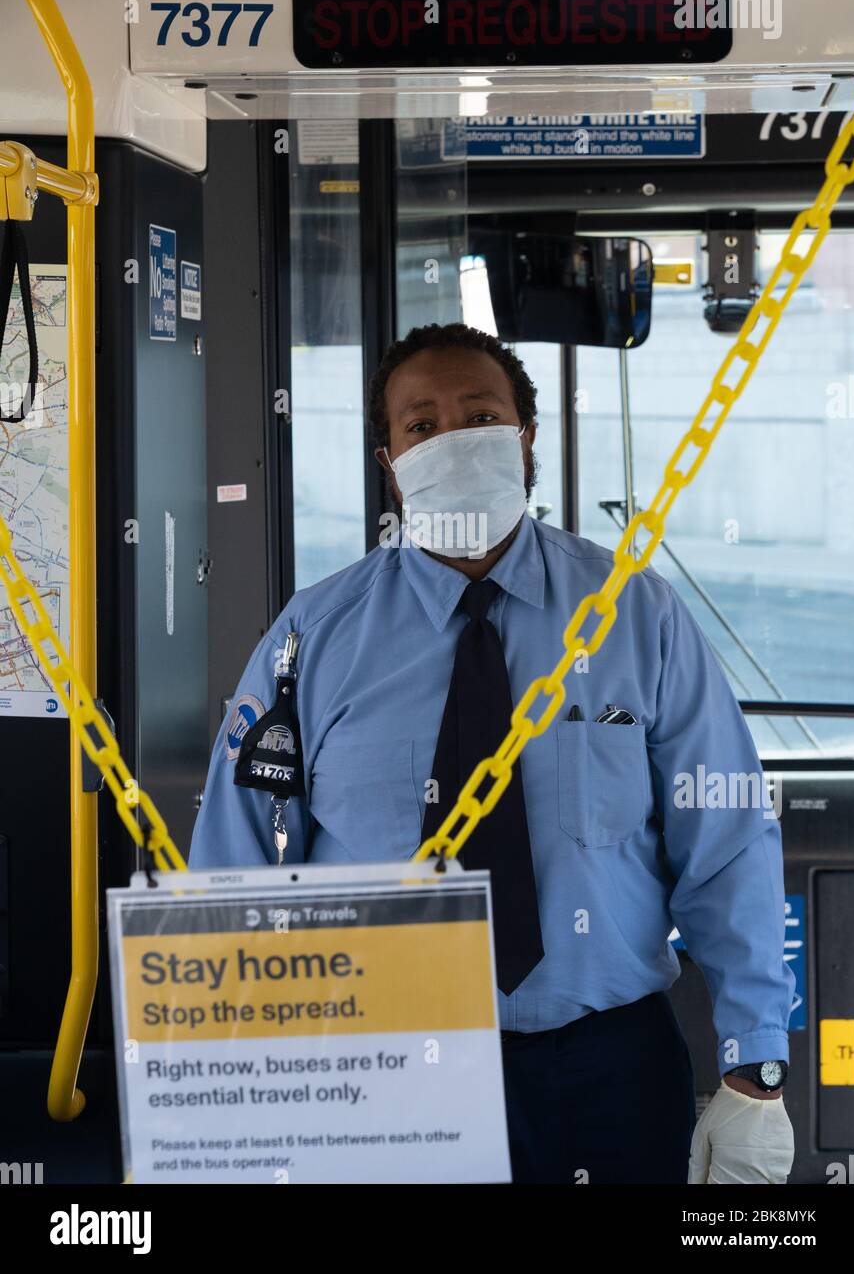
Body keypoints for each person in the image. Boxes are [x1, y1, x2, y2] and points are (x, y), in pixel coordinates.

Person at [189, 322, 795, 1185]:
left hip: (610, 1071)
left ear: (527, 439)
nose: (453, 440)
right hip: (383, 1071)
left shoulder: (638, 618)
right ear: (388, 459)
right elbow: (235, 865)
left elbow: (727, 844)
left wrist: (755, 1068)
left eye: (480, 416)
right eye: (422, 426)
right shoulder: (312, 640)